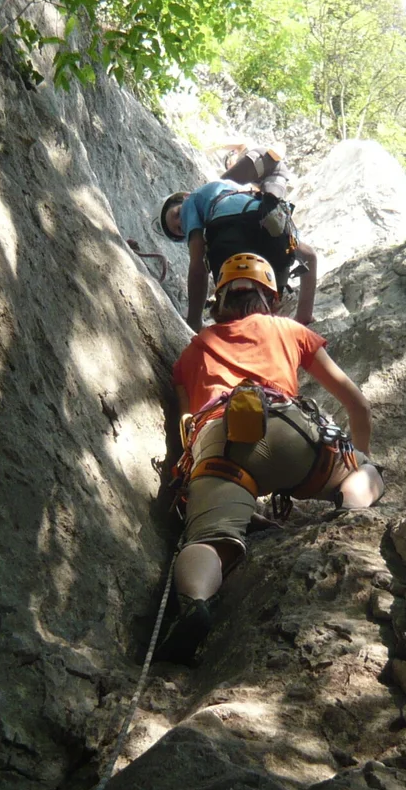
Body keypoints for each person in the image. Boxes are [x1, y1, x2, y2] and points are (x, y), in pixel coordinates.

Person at [156, 252, 385, 662]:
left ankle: (195, 601)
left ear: (219, 301)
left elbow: (185, 427)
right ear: (271, 300)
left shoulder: (194, 350)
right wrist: (359, 456)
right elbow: (358, 406)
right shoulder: (287, 329)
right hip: (288, 427)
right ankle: (350, 512)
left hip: (221, 442)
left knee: (210, 540)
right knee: (364, 471)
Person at [160, 182, 319, 331]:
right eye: (180, 229)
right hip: (272, 228)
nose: (182, 221)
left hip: (230, 233)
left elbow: (198, 267)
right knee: (265, 309)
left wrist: (194, 321)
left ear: (183, 198)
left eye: (176, 214)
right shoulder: (244, 196)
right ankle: (303, 319)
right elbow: (309, 256)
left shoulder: (190, 201)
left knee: (233, 311)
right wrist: (302, 318)